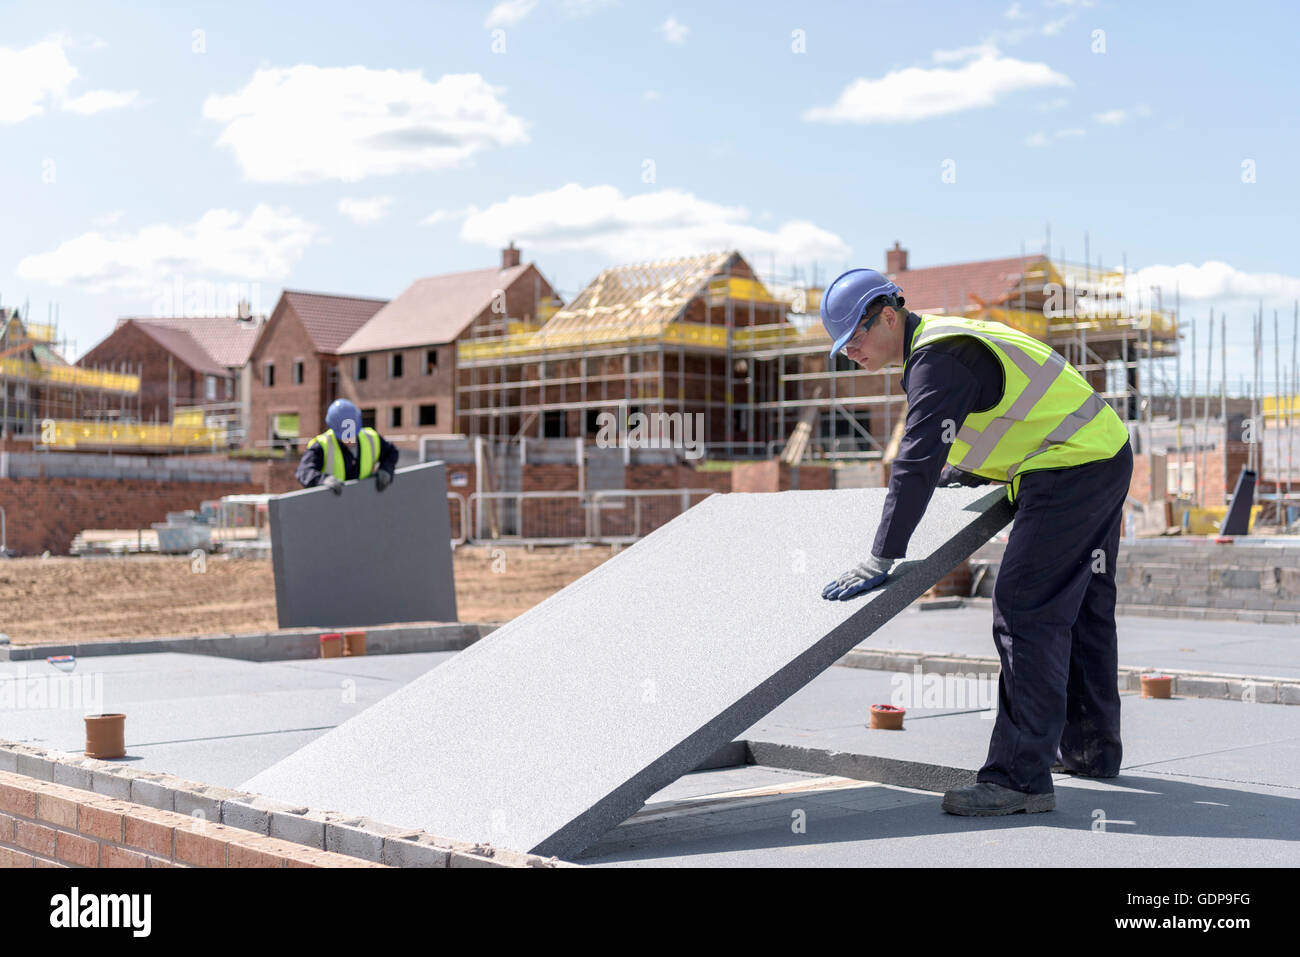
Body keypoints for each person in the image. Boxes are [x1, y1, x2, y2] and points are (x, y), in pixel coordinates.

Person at [818, 267, 1133, 817]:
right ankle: (1089, 750)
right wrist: (982, 470)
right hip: (1098, 454)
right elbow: (1017, 413)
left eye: (856, 338)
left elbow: (915, 463)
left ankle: (1019, 779)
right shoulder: (947, 345)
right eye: (843, 347)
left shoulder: (938, 359)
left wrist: (881, 556)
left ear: (888, 316)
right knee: (1081, 609)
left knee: (1025, 610)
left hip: (1070, 469)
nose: (850, 353)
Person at [296, 398, 400, 494]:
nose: (349, 439)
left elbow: (391, 452)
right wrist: (323, 480)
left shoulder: (371, 438)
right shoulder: (322, 445)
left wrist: (386, 469)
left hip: (363, 501)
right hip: (333, 506)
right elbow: (304, 472)